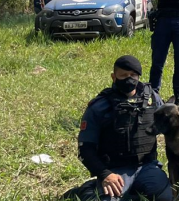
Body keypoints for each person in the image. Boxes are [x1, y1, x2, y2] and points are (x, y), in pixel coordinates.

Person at [64, 55, 171, 201]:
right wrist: (105, 174)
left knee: (164, 198)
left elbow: (171, 126)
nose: (129, 79)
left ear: (139, 76)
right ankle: (86, 190)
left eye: (133, 75)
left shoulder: (152, 99)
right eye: (123, 75)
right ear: (114, 77)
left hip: (146, 167)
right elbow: (85, 149)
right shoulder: (99, 106)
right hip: (114, 171)